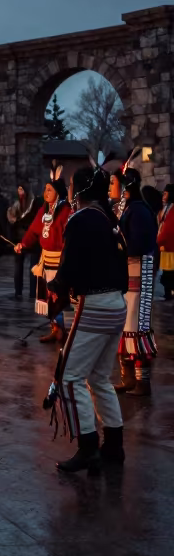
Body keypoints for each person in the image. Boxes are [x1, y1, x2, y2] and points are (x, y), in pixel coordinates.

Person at [48, 163, 128, 473]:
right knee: (99, 377)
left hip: (94, 304)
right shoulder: (109, 218)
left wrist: (56, 290)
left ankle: (88, 446)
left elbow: (71, 265)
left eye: (70, 187)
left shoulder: (80, 219)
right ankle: (115, 445)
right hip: (115, 303)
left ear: (78, 191)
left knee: (69, 377)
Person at [113, 157, 158, 396]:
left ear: (125, 187)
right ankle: (130, 378)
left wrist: (118, 247)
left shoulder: (139, 211)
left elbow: (138, 245)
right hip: (132, 275)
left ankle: (141, 381)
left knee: (137, 327)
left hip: (140, 273)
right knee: (128, 325)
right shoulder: (131, 209)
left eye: (114, 183)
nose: (111, 187)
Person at [15, 167, 71, 343]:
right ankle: (55, 328)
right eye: (45, 190)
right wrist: (23, 244)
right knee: (47, 296)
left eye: (49, 190)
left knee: (58, 296)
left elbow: (67, 236)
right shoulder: (43, 210)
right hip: (45, 260)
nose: (45, 193)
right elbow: (33, 231)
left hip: (59, 260)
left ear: (58, 193)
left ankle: (61, 329)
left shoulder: (65, 211)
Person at [7, 183, 39, 299]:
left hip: (32, 237)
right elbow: (12, 217)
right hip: (19, 237)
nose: (20, 192)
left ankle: (32, 292)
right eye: (19, 189)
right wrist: (14, 220)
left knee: (33, 266)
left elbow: (35, 217)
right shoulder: (17, 204)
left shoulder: (33, 203)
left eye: (22, 189)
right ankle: (18, 291)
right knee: (18, 265)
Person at [158, 183, 174, 301]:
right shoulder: (167, 207)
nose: (163, 196)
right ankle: (168, 293)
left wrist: (160, 240)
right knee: (167, 270)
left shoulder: (171, 208)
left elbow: (169, 227)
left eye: (165, 193)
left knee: (169, 271)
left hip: (169, 245)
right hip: (165, 244)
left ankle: (169, 293)